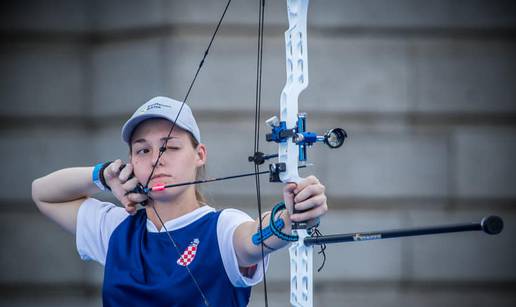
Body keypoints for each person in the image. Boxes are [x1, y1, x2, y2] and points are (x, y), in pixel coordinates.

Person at [31, 96, 328, 307]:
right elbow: (43, 193)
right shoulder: (117, 228)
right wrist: (102, 175)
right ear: (130, 161)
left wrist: (292, 217)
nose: (156, 160)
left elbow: (253, 238)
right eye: (142, 151)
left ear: (199, 155)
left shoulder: (222, 228)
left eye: (170, 147)